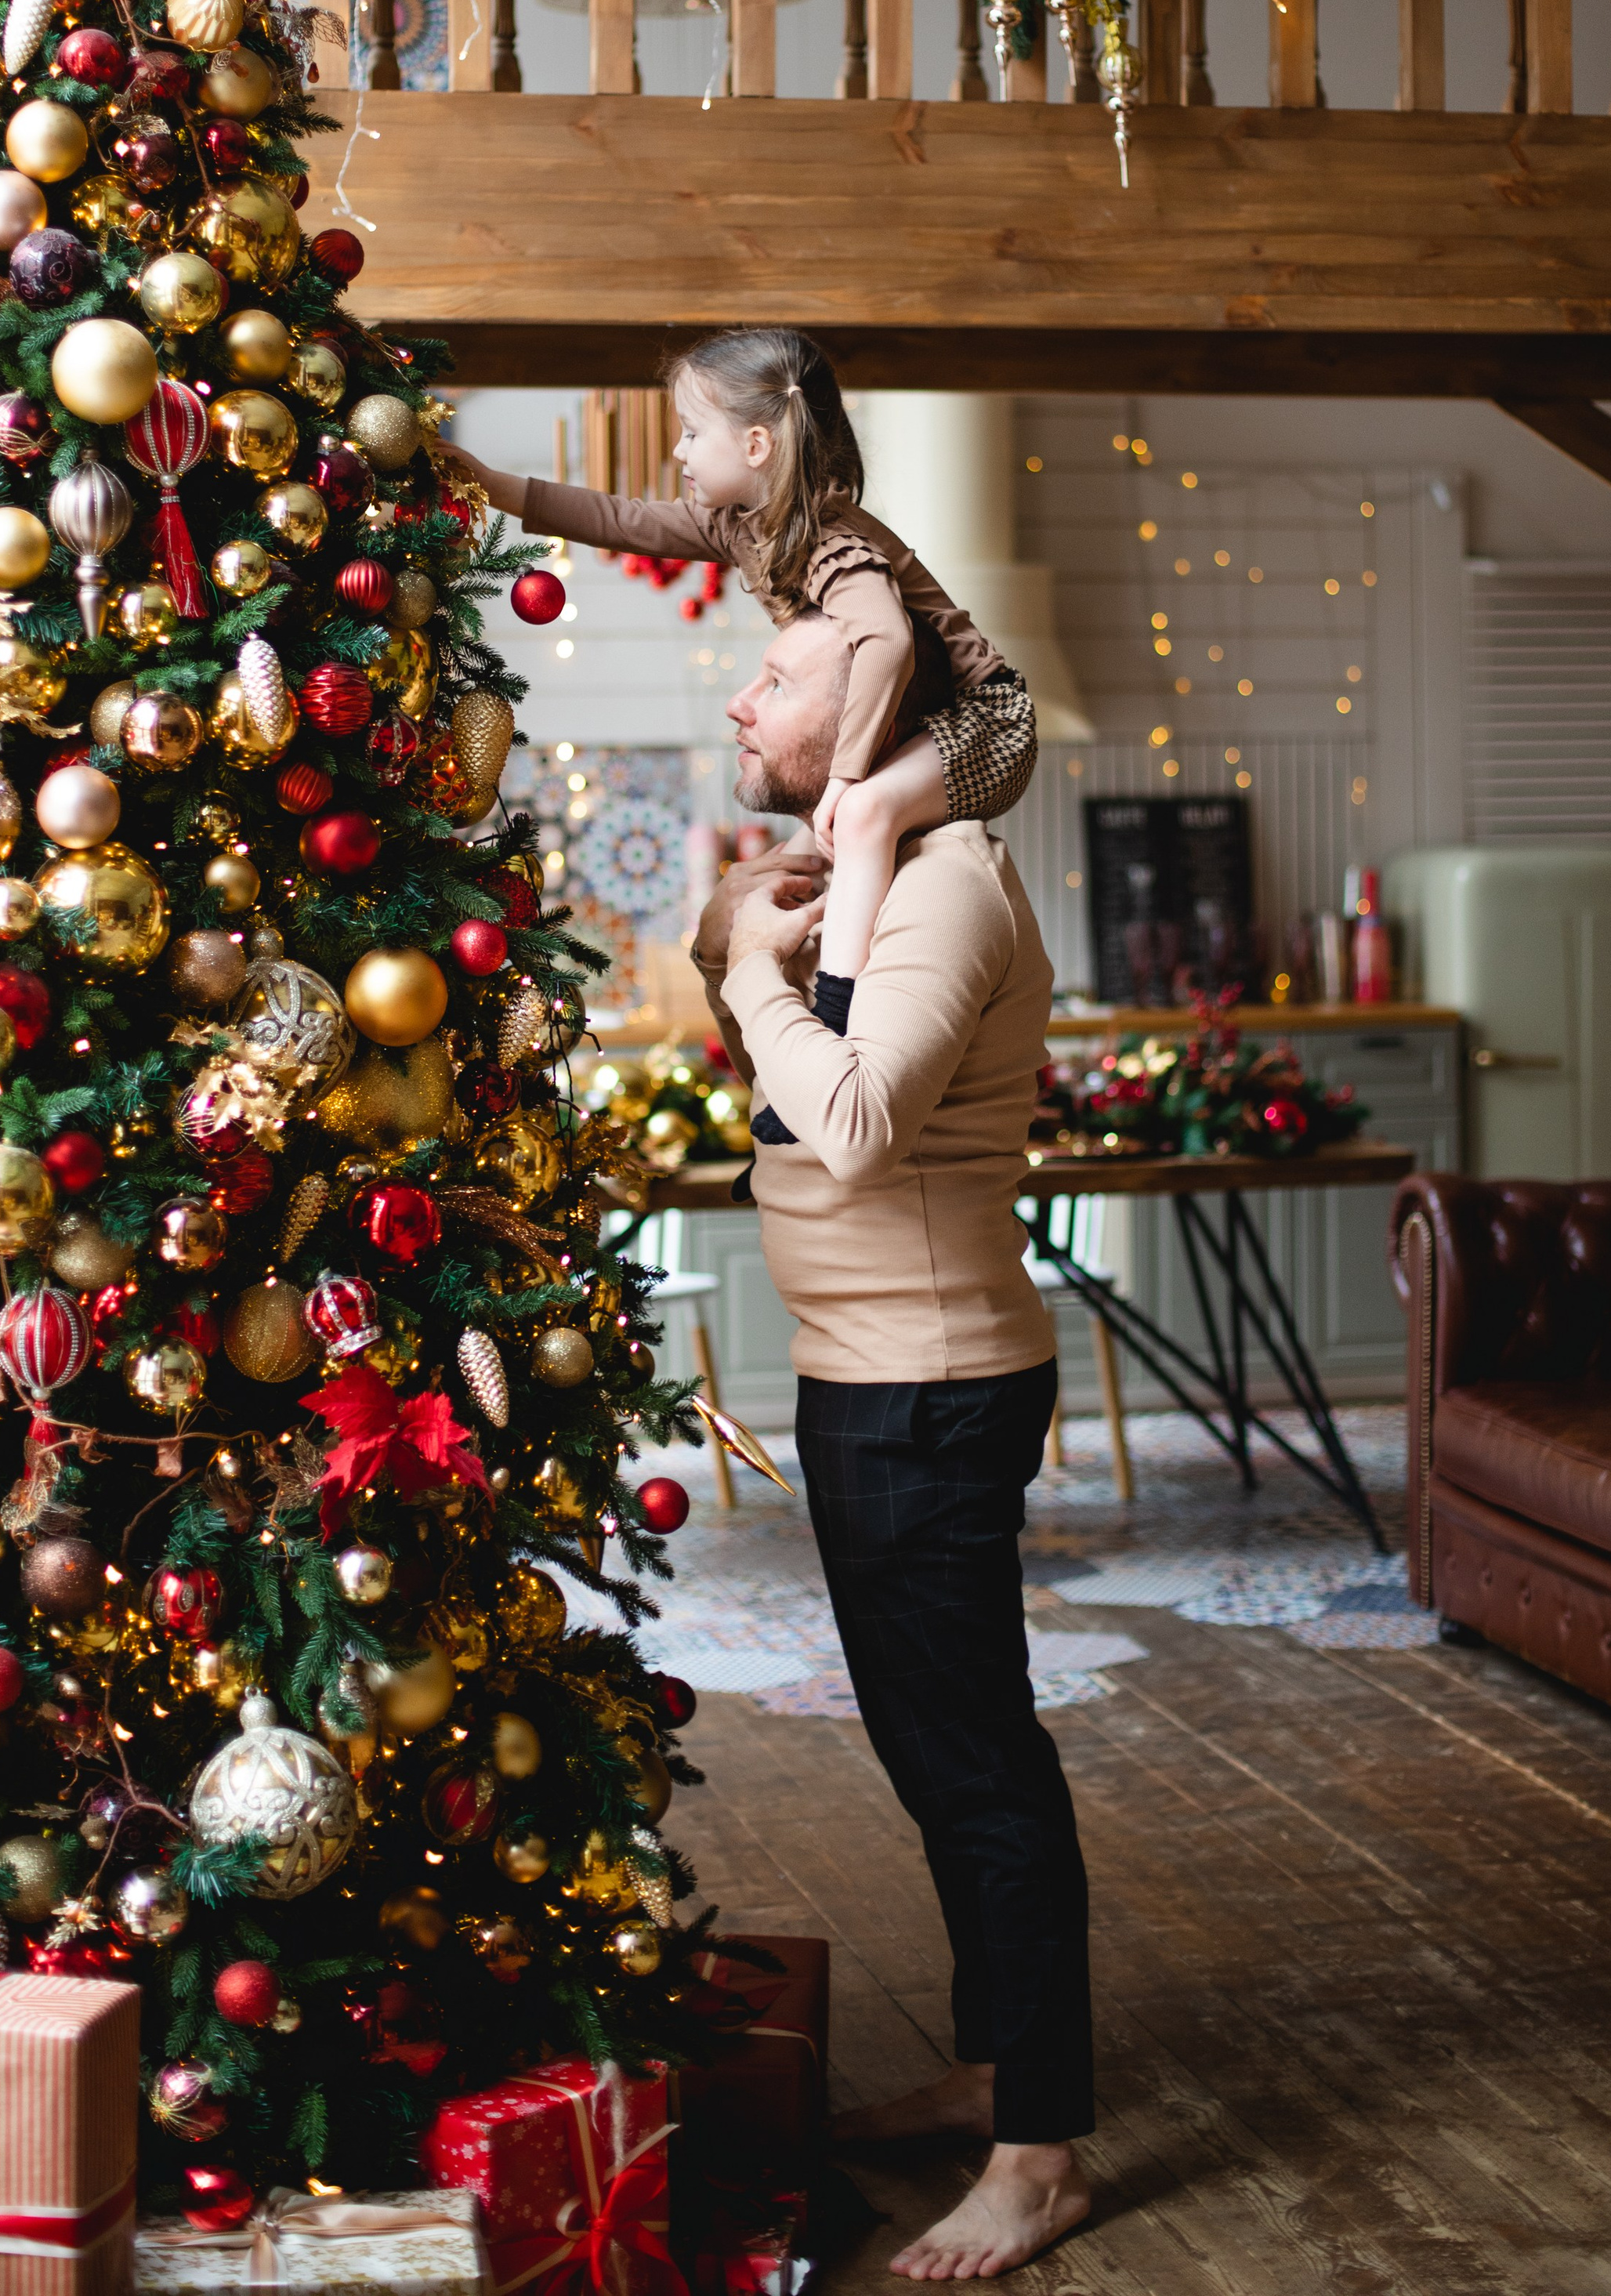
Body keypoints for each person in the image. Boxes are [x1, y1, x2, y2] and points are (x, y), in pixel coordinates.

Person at [690, 610, 1094, 2283]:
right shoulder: (870, 877)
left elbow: (839, 1130)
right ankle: (1000, 2066)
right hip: (873, 1380)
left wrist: (736, 969)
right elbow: (802, 1096)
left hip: (926, 1388)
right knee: (941, 1763)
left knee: (979, 1771)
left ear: (866, 708)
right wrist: (747, 945)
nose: (743, 690)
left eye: (776, 672)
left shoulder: (943, 884)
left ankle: (1040, 2150)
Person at [457, 327, 1036, 1001]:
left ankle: (842, 1006)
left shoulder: (831, 538)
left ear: (756, 446)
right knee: (809, 854)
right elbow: (621, 519)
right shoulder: (739, 522)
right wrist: (492, 485)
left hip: (985, 721)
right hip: (909, 724)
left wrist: (847, 778)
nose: (678, 451)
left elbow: (889, 640)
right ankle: (793, 1001)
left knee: (859, 815)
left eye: (693, 433)